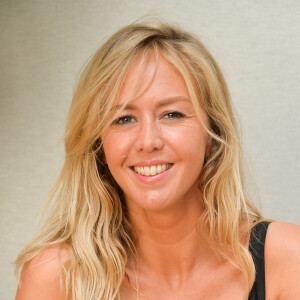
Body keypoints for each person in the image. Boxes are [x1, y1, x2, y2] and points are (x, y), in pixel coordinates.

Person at [15, 21, 300, 300]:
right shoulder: (55, 277)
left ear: (213, 134)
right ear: (98, 145)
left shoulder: (288, 260)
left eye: (172, 114)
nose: (148, 141)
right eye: (124, 119)